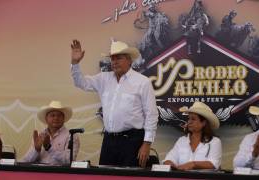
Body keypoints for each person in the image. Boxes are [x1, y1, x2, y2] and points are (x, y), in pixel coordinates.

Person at [70, 39, 158, 167]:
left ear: (129, 60)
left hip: (132, 140)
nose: (114, 62)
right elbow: (80, 83)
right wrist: (75, 63)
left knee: (130, 177)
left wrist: (147, 143)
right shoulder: (103, 78)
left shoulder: (142, 82)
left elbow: (151, 114)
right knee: (106, 175)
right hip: (109, 140)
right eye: (112, 59)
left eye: (119, 58)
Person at [163, 102, 222, 170]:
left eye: (193, 119)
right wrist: (169, 163)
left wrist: (193, 164)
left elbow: (214, 164)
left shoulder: (214, 142)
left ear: (204, 123)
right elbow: (169, 159)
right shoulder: (182, 140)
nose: (189, 122)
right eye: (189, 119)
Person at [21, 101, 80, 165]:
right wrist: (36, 150)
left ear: (63, 118)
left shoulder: (71, 136)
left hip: (60, 173)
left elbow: (69, 160)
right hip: (39, 173)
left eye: (59, 115)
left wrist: (49, 148)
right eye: (52, 115)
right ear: (46, 119)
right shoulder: (40, 136)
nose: (56, 118)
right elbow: (25, 161)